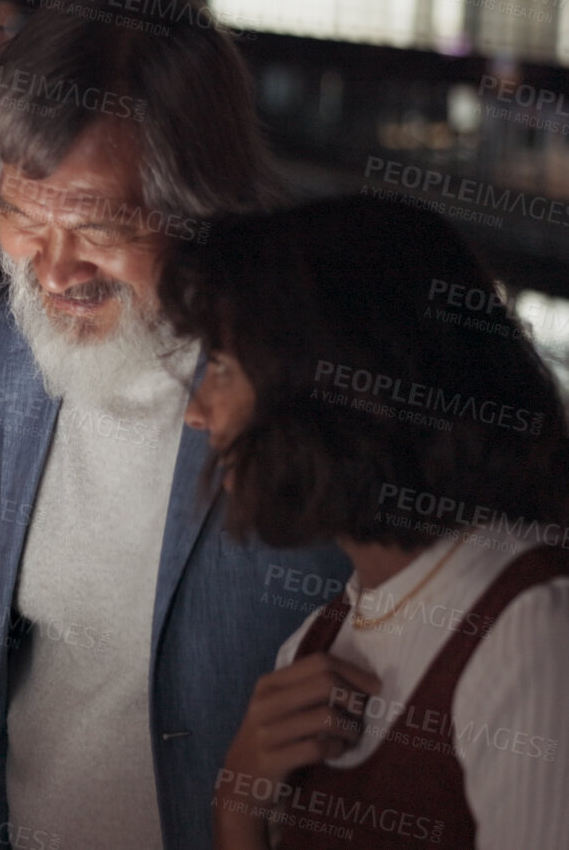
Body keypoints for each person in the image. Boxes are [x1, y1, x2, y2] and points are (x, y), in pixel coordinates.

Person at [0, 0, 350, 850]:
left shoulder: (312, 383)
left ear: (201, 203)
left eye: (98, 225)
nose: (54, 270)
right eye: (21, 216)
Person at [152, 196, 569, 849]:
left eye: (225, 369)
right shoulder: (318, 637)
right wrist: (236, 803)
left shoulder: (532, 633)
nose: (197, 412)